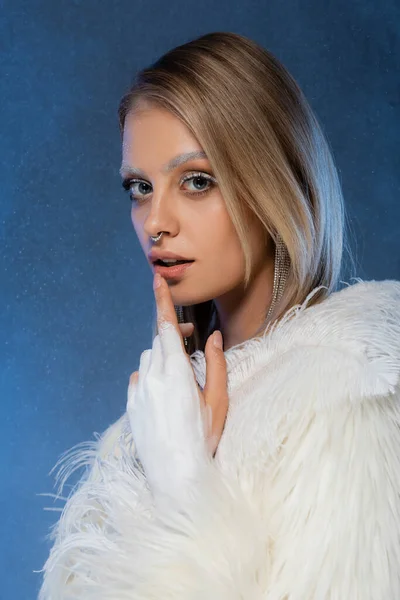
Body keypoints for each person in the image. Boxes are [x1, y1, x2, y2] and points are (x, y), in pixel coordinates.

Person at [37, 31, 400, 599]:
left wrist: (183, 487)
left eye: (197, 181)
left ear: (273, 183)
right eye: (139, 188)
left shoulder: (345, 397)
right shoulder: (153, 416)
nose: (155, 221)